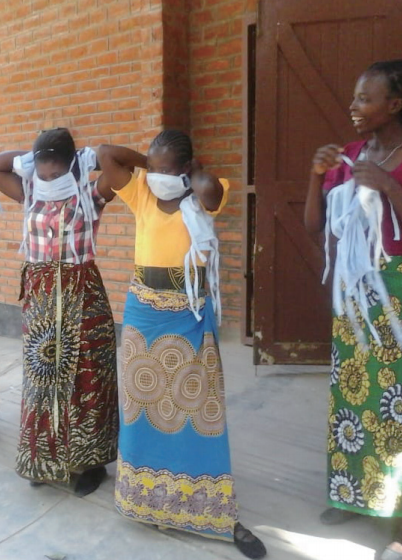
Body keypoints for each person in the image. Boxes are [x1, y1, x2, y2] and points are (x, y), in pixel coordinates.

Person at [97, 130, 266, 559]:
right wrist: (151, 168)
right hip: (143, 313)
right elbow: (106, 154)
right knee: (142, 406)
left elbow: (211, 192)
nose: (156, 176)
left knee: (196, 408)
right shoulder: (142, 191)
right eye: (152, 168)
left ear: (186, 169)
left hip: (188, 313)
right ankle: (147, 499)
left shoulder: (202, 193)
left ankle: (210, 510)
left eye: (165, 169)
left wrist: (187, 179)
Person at [304, 60, 402, 560]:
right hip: (353, 288)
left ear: (395, 104)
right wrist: (315, 176)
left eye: (365, 98)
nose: (354, 106)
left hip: (398, 287)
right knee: (351, 394)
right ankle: (354, 494)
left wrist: (389, 186)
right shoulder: (348, 154)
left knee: (401, 401)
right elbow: (314, 227)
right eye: (354, 97)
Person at [0, 127, 118, 497]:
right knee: (42, 379)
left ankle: (90, 464)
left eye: (55, 173)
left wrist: (90, 156)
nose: (48, 180)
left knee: (87, 379)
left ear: (72, 166)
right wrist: (28, 158)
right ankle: (43, 458)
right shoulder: (29, 192)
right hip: (41, 298)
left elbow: (117, 165)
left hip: (82, 293)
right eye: (42, 173)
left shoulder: (90, 194)